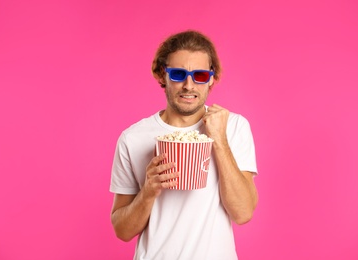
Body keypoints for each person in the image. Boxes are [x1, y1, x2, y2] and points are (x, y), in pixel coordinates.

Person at [110, 30, 258, 260]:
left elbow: (243, 213)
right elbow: (122, 230)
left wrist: (219, 139)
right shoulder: (133, 138)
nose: (189, 85)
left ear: (211, 78)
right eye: (178, 74)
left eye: (199, 75)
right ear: (162, 75)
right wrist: (148, 192)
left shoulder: (233, 126)